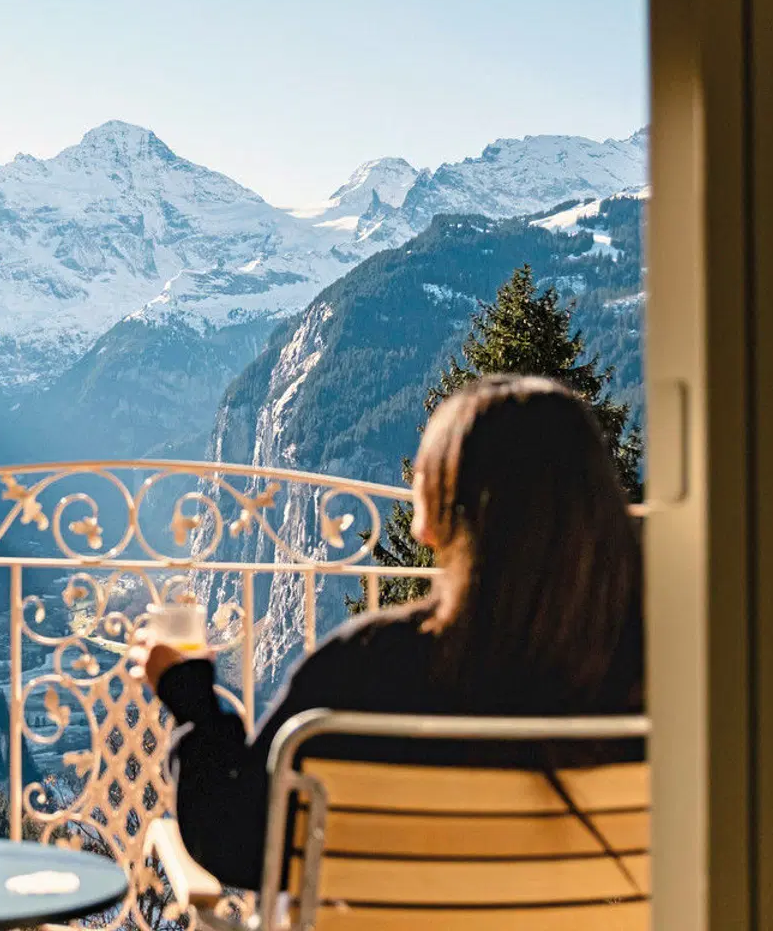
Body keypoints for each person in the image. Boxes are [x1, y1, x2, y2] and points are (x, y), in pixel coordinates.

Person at [129, 375, 645, 889]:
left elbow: (236, 840)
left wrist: (192, 699)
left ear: (432, 517)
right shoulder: (655, 673)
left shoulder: (368, 668)